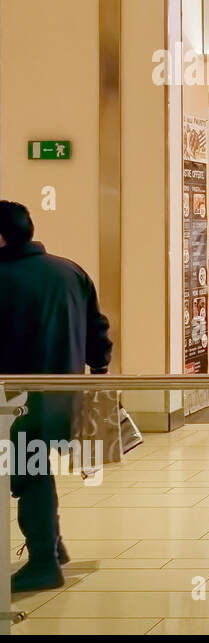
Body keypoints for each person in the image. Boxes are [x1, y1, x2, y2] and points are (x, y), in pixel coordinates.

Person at [0, 201, 112, 593]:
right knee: (35, 469)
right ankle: (54, 545)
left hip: (14, 399)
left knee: (29, 474)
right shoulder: (69, 271)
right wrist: (99, 368)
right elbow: (96, 328)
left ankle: (43, 562)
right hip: (65, 392)